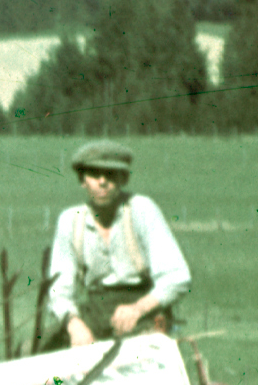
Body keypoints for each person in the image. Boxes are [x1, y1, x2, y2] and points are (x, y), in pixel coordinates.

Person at [44, 139, 191, 348]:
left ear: (124, 178)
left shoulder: (142, 210)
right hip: (94, 309)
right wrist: (74, 324)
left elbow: (177, 276)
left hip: (144, 309)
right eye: (94, 174)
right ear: (82, 179)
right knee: (36, 353)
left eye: (111, 174)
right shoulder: (70, 220)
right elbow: (59, 290)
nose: (102, 181)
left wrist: (138, 308)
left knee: (138, 360)